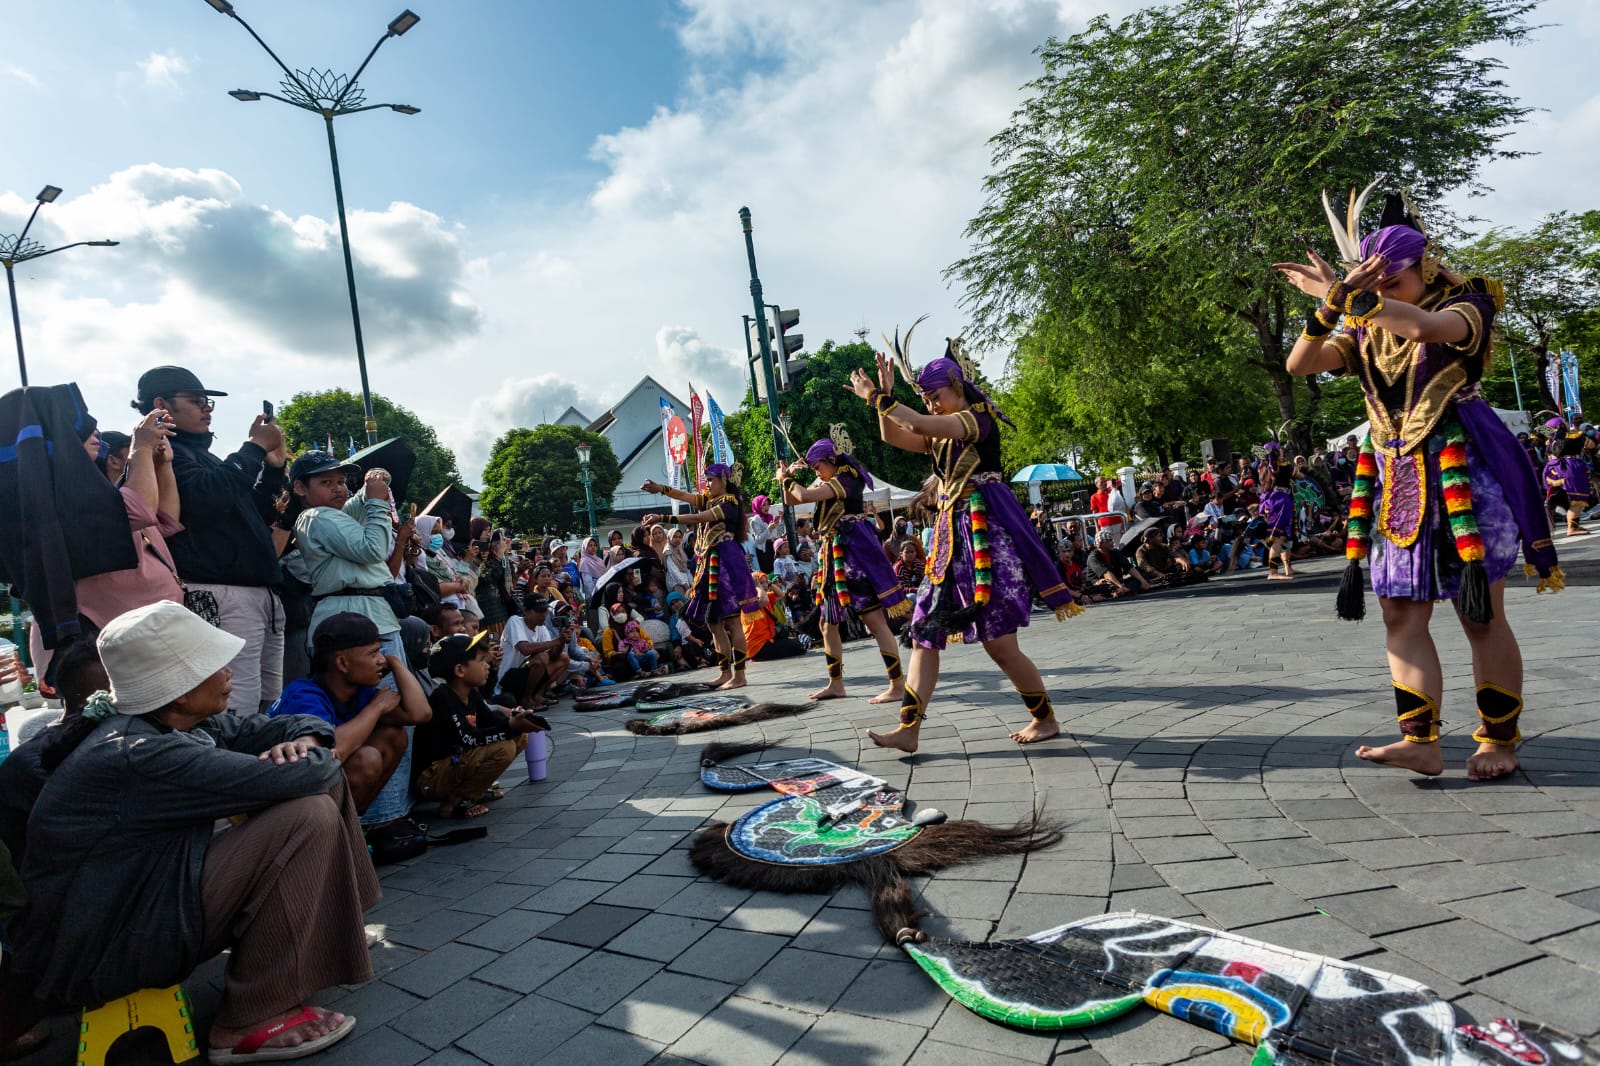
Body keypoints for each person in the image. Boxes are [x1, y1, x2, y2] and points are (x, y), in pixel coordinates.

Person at [1276, 185, 1562, 780]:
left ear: (1425, 266)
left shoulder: (1469, 306)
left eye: (1391, 278)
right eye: (1373, 281)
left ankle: (1499, 741)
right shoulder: (1361, 324)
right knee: (1399, 613)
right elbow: (1300, 364)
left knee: (1480, 615)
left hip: (1465, 470)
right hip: (1396, 479)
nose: (1382, 290)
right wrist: (1330, 307)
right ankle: (1421, 741)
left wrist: (1351, 294)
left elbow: (1425, 327)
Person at [11, 601, 376, 1061]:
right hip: (106, 947)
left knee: (313, 789)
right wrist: (307, 756)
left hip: (141, 902)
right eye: (212, 665)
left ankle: (323, 932)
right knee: (308, 815)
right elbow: (312, 775)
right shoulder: (140, 752)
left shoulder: (175, 720)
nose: (228, 671)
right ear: (178, 690)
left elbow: (272, 728)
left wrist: (308, 739)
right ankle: (246, 1018)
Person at [848, 330, 1082, 751]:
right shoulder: (942, 430)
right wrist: (885, 399)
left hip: (985, 542)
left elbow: (916, 422)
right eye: (927, 398)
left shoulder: (977, 421)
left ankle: (1044, 718)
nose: (932, 405)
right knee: (923, 634)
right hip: (948, 544)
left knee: (999, 644)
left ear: (957, 388)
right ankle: (909, 729)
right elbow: (896, 434)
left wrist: (876, 399)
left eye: (936, 396)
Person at [135, 365, 286, 714]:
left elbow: (253, 512)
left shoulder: (204, 455)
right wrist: (253, 448)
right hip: (220, 592)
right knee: (236, 707)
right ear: (162, 404)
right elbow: (207, 497)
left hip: (255, 594)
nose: (206, 408)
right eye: (196, 400)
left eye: (208, 402)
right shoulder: (160, 453)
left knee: (268, 705)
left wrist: (274, 467)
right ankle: (236, 769)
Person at [286, 452, 418, 830]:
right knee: (378, 717)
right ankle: (378, 820)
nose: (338, 488)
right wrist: (376, 499)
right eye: (325, 482)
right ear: (300, 489)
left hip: (370, 614)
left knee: (394, 718)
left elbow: (356, 510)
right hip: (352, 621)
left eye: (341, 480)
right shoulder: (314, 517)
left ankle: (390, 812)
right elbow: (372, 548)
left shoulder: (336, 513)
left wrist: (371, 486)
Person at [777, 431, 911, 703]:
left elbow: (800, 494)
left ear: (831, 459)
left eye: (818, 466)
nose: (817, 471)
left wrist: (788, 479)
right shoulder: (832, 479)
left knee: (874, 621)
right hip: (833, 554)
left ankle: (898, 685)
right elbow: (792, 500)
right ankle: (836, 684)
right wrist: (786, 476)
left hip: (853, 553)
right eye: (813, 468)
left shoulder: (846, 479)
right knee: (828, 624)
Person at [268, 613, 430, 815]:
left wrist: (396, 662)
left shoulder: (357, 692)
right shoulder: (304, 696)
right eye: (373, 654)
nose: (381, 660)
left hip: (318, 789)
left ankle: (351, 825)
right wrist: (375, 708)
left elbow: (420, 714)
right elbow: (328, 752)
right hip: (284, 801)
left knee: (393, 735)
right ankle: (331, 833)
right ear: (342, 664)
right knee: (366, 759)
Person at [640, 463, 759, 689]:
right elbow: (685, 495)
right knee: (713, 622)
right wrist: (660, 488)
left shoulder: (729, 504)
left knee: (733, 621)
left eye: (712, 480)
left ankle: (740, 675)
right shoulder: (710, 499)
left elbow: (698, 518)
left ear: (724, 480)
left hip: (726, 564)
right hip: (709, 564)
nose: (708, 484)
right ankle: (725, 672)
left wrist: (662, 518)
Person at [413, 633, 545, 819]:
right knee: (504, 748)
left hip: (455, 765)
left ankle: (471, 792)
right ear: (460, 670)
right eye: (481, 660)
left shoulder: (471, 693)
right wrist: (509, 726)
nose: (487, 665)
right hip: (431, 778)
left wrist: (518, 721)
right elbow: (469, 738)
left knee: (519, 735)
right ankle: (457, 801)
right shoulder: (443, 698)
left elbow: (492, 722)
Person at [498, 596, 569, 708]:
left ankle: (536, 696)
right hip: (509, 677)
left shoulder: (541, 627)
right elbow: (525, 649)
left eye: (545, 611)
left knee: (563, 658)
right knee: (541, 658)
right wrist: (556, 641)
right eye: (539, 611)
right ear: (525, 611)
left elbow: (553, 656)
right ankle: (525, 700)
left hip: (526, 674)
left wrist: (562, 641)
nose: (543, 615)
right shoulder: (515, 621)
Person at [1543, 432, 1591, 537]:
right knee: (1577, 501)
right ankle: (1572, 528)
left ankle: (1574, 525)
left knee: (1570, 502)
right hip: (1569, 470)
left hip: (1558, 469)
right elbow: (1591, 444)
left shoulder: (1555, 442)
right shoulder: (1573, 439)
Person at [1085, 528, 1150, 598]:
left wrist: (1142, 580)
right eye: (1109, 540)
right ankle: (1125, 590)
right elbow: (1107, 573)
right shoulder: (1093, 557)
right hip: (1101, 584)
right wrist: (1120, 586)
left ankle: (1125, 590)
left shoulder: (1115, 552)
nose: (1113, 542)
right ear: (1101, 543)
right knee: (1107, 586)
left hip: (1117, 581)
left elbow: (1129, 567)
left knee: (1142, 575)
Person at [1258, 466, 1297, 580]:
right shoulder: (1273, 470)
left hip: (1282, 501)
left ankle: (1288, 568)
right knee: (1278, 539)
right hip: (1277, 503)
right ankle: (1273, 571)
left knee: (1285, 537)